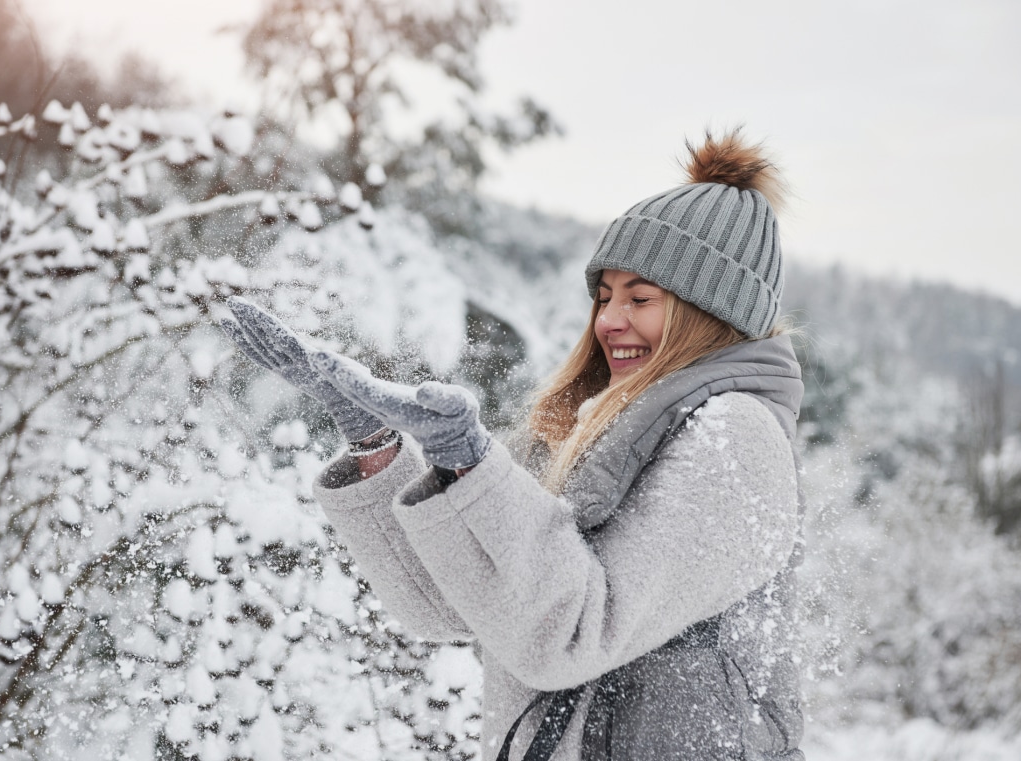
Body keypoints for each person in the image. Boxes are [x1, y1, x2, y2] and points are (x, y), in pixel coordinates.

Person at [222, 129, 806, 761]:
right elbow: (451, 602)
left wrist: (470, 465)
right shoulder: (590, 426)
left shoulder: (736, 439)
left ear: (710, 315)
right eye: (604, 296)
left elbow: (572, 632)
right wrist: (377, 446)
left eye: (640, 298)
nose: (609, 320)